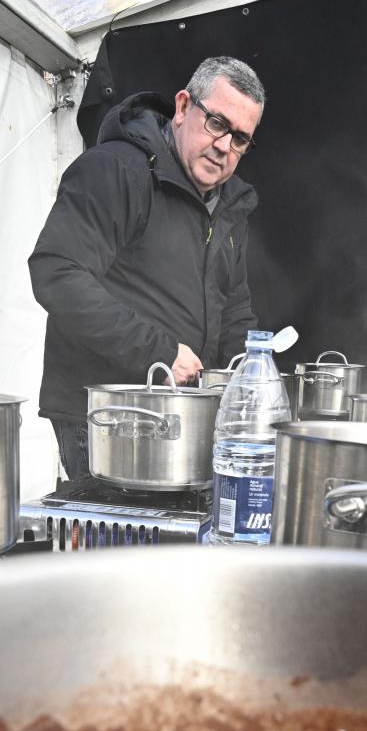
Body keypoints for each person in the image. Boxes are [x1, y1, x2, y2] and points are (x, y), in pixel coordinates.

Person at [29, 56, 264, 480]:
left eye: (241, 138)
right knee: (126, 546)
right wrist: (159, 352)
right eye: (217, 123)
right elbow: (57, 273)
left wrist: (252, 378)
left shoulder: (230, 206)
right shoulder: (115, 169)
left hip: (185, 422)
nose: (225, 146)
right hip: (106, 418)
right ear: (182, 107)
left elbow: (234, 311)